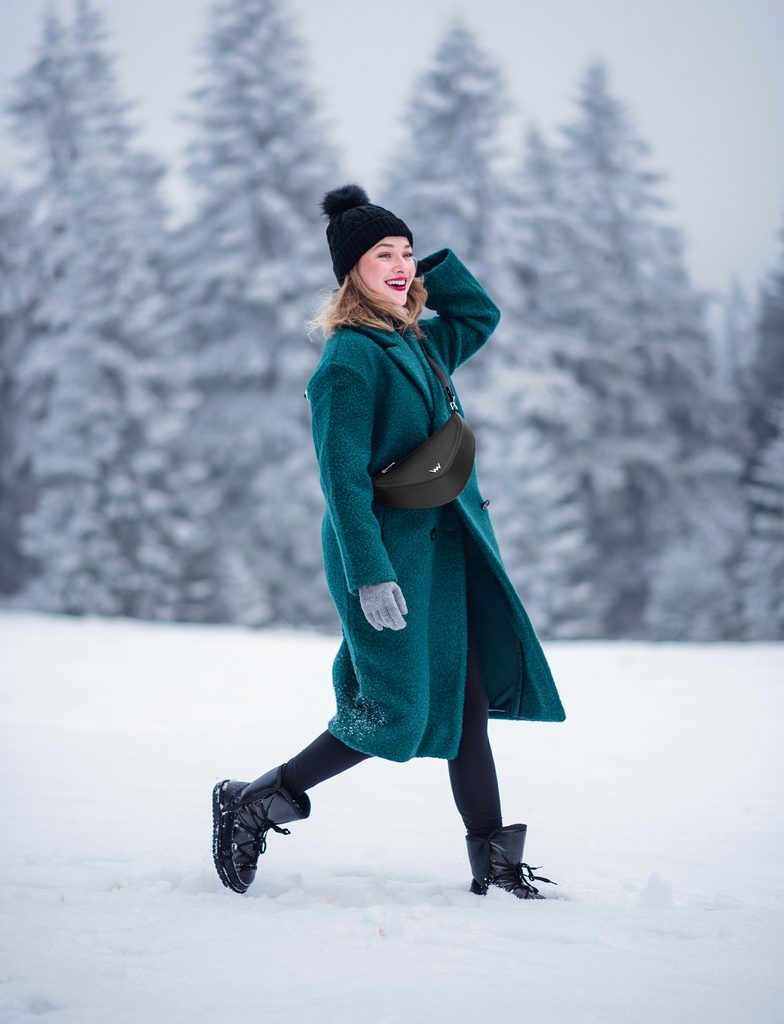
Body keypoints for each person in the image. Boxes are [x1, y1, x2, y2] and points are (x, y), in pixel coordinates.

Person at [212, 183, 566, 901]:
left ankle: (496, 866)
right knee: (392, 710)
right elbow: (341, 481)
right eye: (383, 254)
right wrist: (370, 573)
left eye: (406, 252)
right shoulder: (349, 361)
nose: (401, 265)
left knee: (465, 710)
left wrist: (415, 269)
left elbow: (479, 313)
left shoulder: (416, 342)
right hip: (386, 560)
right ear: (351, 270)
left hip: (445, 556)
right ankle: (253, 803)